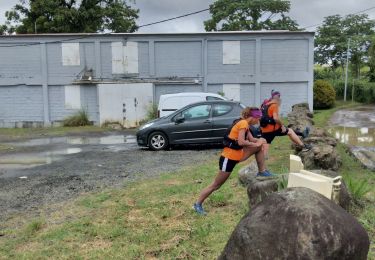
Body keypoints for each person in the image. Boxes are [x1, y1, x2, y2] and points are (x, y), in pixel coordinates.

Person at [193, 107, 274, 215]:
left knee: (259, 148)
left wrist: (261, 140)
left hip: (238, 156)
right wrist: (256, 144)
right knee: (216, 185)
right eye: (258, 118)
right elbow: (241, 142)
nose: (258, 121)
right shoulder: (243, 124)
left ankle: (262, 171)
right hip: (228, 158)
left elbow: (252, 140)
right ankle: (197, 204)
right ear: (253, 117)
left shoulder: (245, 124)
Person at [260, 90, 312, 157]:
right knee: (290, 131)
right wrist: (282, 126)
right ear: (278, 98)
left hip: (265, 130)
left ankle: (261, 163)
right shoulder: (274, 105)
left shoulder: (264, 105)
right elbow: (275, 118)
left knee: (265, 146)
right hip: (273, 129)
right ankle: (304, 147)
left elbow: (260, 117)